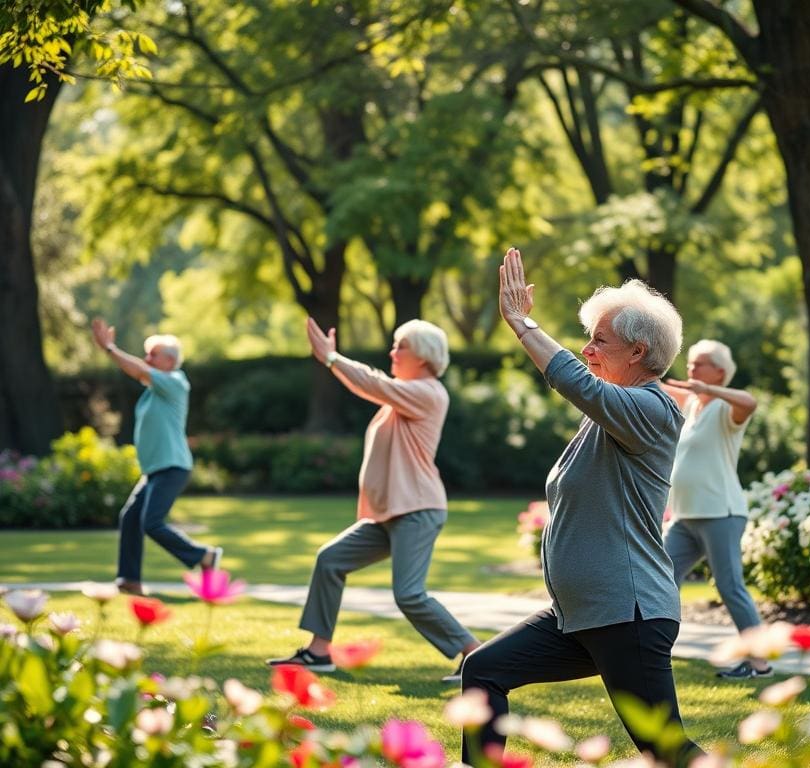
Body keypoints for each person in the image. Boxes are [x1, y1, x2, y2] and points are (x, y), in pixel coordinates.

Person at [460, 248, 702, 767]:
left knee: (666, 749)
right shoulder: (608, 416)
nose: (588, 349)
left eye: (600, 340)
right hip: (581, 615)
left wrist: (523, 325)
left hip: (627, 613)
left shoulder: (651, 409)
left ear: (638, 352)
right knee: (483, 671)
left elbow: (575, 381)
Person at [268, 318, 480, 680]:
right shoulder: (403, 394)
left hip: (417, 510)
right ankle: (318, 653)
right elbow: (377, 385)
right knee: (331, 560)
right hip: (389, 514)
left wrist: (332, 359)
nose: (392, 352)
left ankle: (475, 654)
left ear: (425, 357)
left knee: (409, 594)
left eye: (401, 347)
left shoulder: (428, 392)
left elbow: (372, 383)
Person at [661, 339, 769, 679]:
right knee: (658, 576)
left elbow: (750, 402)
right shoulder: (692, 406)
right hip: (684, 517)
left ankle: (760, 665)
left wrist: (708, 389)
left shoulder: (726, 409)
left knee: (729, 586)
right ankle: (651, 650)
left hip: (721, 513)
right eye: (691, 363)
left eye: (701, 363)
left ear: (720, 371)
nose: (692, 369)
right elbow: (653, 385)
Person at [90, 319, 221, 596]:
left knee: (151, 522)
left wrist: (110, 348)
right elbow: (140, 371)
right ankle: (129, 579)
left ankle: (204, 557)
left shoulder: (175, 382)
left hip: (173, 466)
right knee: (130, 518)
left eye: (153, 355)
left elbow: (138, 369)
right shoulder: (153, 391)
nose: (147, 358)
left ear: (170, 361)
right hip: (155, 469)